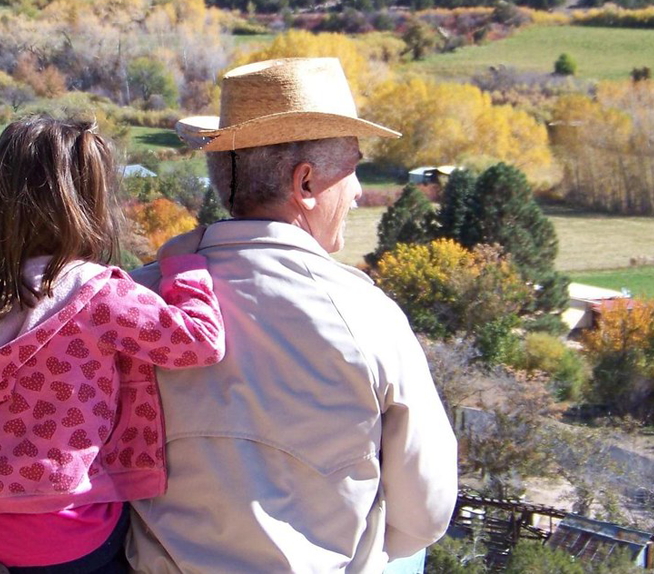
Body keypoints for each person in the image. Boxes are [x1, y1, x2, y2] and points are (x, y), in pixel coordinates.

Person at [127, 57, 458, 573]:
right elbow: (427, 512)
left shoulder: (138, 299)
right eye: (352, 168)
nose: (356, 192)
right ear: (304, 184)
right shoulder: (369, 317)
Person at [0, 116, 226, 573]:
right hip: (64, 529)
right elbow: (199, 342)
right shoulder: (97, 292)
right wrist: (183, 266)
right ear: (89, 201)